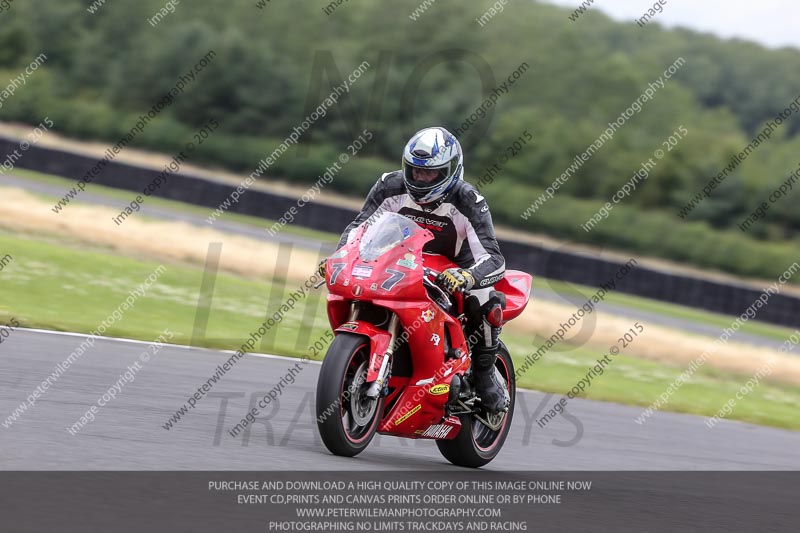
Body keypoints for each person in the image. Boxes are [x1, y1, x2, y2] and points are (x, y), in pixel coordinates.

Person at [321, 127, 508, 414]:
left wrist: (468, 276)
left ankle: (484, 377)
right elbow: (359, 228)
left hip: (456, 268)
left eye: (430, 173)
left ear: (451, 170)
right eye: (415, 171)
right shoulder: (389, 186)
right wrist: (340, 256)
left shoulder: (468, 200)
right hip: (402, 260)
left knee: (484, 299)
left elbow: (493, 257)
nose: (421, 178)